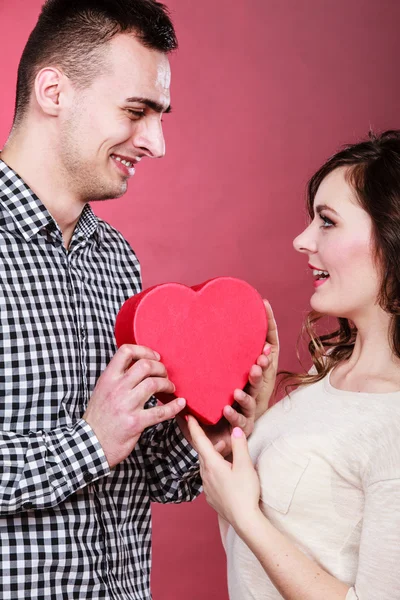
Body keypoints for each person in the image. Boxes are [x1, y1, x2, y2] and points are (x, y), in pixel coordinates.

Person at [0, 1, 275, 598]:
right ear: (53, 91)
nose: (156, 142)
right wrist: (88, 444)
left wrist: (214, 428)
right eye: (135, 111)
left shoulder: (115, 258)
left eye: (160, 115)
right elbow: (100, 448)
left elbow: (149, 476)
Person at [188, 129, 400, 600]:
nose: (301, 240)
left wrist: (243, 512)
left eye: (327, 222)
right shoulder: (336, 375)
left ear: (392, 237)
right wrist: (249, 432)